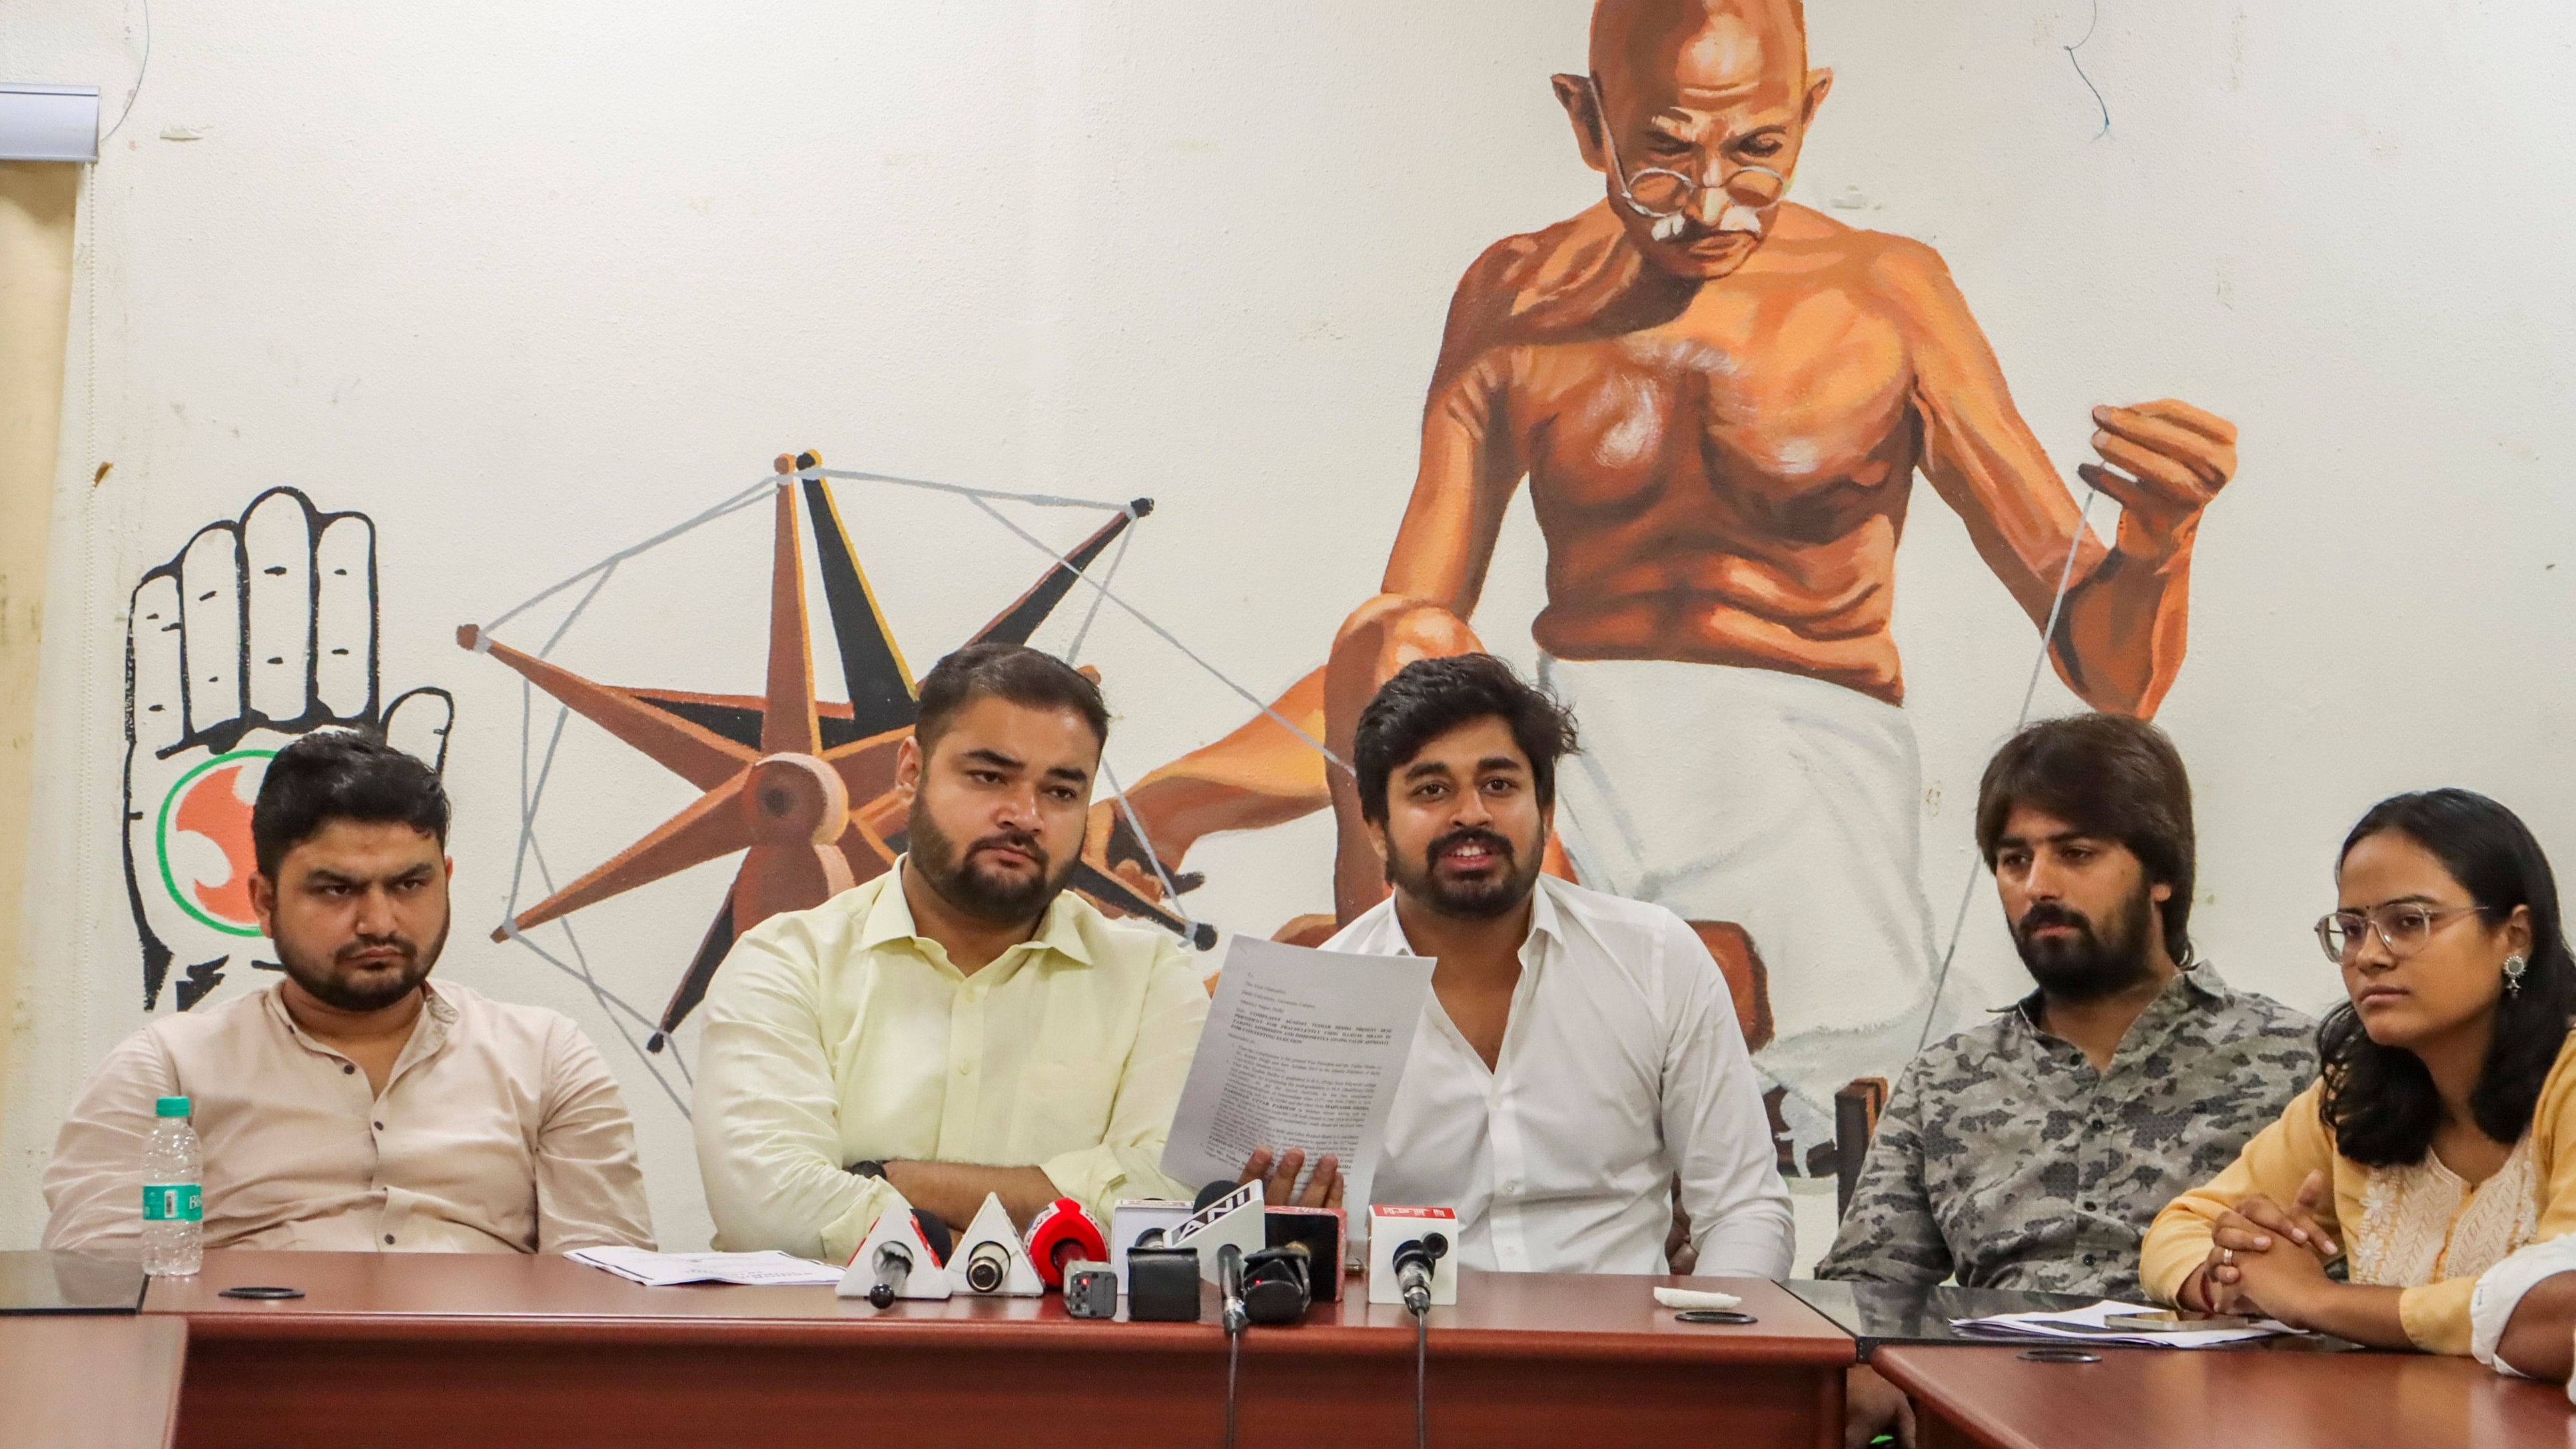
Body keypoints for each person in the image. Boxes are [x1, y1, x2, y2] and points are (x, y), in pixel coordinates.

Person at [1087, 0, 2241, 1178]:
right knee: (1392, 640)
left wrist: (2157, 535)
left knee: (1663, 988)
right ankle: (1373, 1017)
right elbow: (1389, 695)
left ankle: (1363, 994)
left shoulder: (1887, 294)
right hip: (1569, 770)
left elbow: (2111, 674)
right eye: (1664, 153)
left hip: (1800, 773)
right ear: (1586, 121)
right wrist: (1163, 809)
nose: (1708, 202)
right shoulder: (1514, 296)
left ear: (1811, 109)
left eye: (1754, 151)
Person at [693, 643, 1334, 1261]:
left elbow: (1172, 1205)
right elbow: (769, 1207)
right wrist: (1063, 1215)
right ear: (911, 771)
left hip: (1064, 1370)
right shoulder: (786, 963)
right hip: (827, 1363)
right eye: (989, 776)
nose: (1025, 815)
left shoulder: (1147, 982)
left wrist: (887, 1178)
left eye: (1060, 791)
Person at [1817, 714, 2312, 1448]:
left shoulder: (2292, 1062)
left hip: (2219, 1417)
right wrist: (1864, 1362)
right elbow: (1865, 1288)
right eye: (2014, 861)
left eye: (2076, 853)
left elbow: (2353, 1277)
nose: (2038, 885)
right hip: (1988, 1415)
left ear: (2162, 875)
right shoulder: (1951, 1079)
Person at [43, 729, 653, 1254]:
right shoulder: (166, 1074)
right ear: (263, 900)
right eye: (336, 890)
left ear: (445, 879)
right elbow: (99, 1302)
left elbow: (609, 1293)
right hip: (245, 1382)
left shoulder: (546, 1059)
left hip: (487, 1382)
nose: (379, 922)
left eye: (410, 884)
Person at [1315, 654, 1793, 1278]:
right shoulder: (1324, 998)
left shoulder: (1654, 960)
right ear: (1376, 827)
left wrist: (1707, 1355)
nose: (1471, 815)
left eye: (1499, 784)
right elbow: (1286, 1240)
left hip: (1627, 1363)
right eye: (1431, 790)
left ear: (1545, 810)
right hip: (1413, 1359)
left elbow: (1744, 1208)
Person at [2142, 789, 2576, 1354]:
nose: (2369, 955)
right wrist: (2231, 1272)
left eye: (2408, 921)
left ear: (2513, 937)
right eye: (2351, 928)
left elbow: (2561, 1310)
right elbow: (2180, 1225)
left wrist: (2316, 1301)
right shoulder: (2355, 1096)